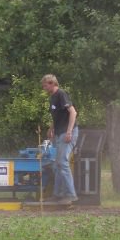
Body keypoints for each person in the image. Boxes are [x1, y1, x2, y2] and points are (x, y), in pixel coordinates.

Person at [41, 74, 79, 203]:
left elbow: (73, 112)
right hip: (58, 133)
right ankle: (57, 194)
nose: (44, 88)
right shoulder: (52, 98)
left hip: (66, 133)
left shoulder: (61, 94)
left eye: (45, 85)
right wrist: (51, 128)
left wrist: (69, 132)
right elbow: (56, 116)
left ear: (52, 83)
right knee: (57, 165)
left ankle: (71, 195)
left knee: (62, 162)